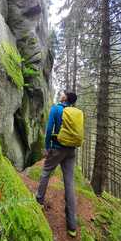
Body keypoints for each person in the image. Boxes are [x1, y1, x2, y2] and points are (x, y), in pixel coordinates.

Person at [36, 91, 80, 238]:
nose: (62, 93)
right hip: (71, 151)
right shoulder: (75, 113)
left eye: (64, 93)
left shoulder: (56, 109)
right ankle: (72, 226)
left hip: (57, 148)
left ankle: (39, 200)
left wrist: (47, 146)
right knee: (69, 184)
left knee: (45, 172)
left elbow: (49, 129)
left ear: (65, 98)